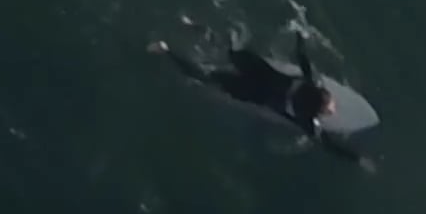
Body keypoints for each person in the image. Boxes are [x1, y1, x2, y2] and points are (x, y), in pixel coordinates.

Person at [152, 22, 366, 161]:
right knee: (204, 78)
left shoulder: (306, 81)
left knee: (229, 49)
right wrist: (357, 159)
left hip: (256, 68)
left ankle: (191, 24)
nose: (334, 109)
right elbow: (328, 144)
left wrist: (301, 33)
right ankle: (165, 50)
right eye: (331, 108)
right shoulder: (304, 119)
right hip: (250, 91)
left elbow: (302, 57)